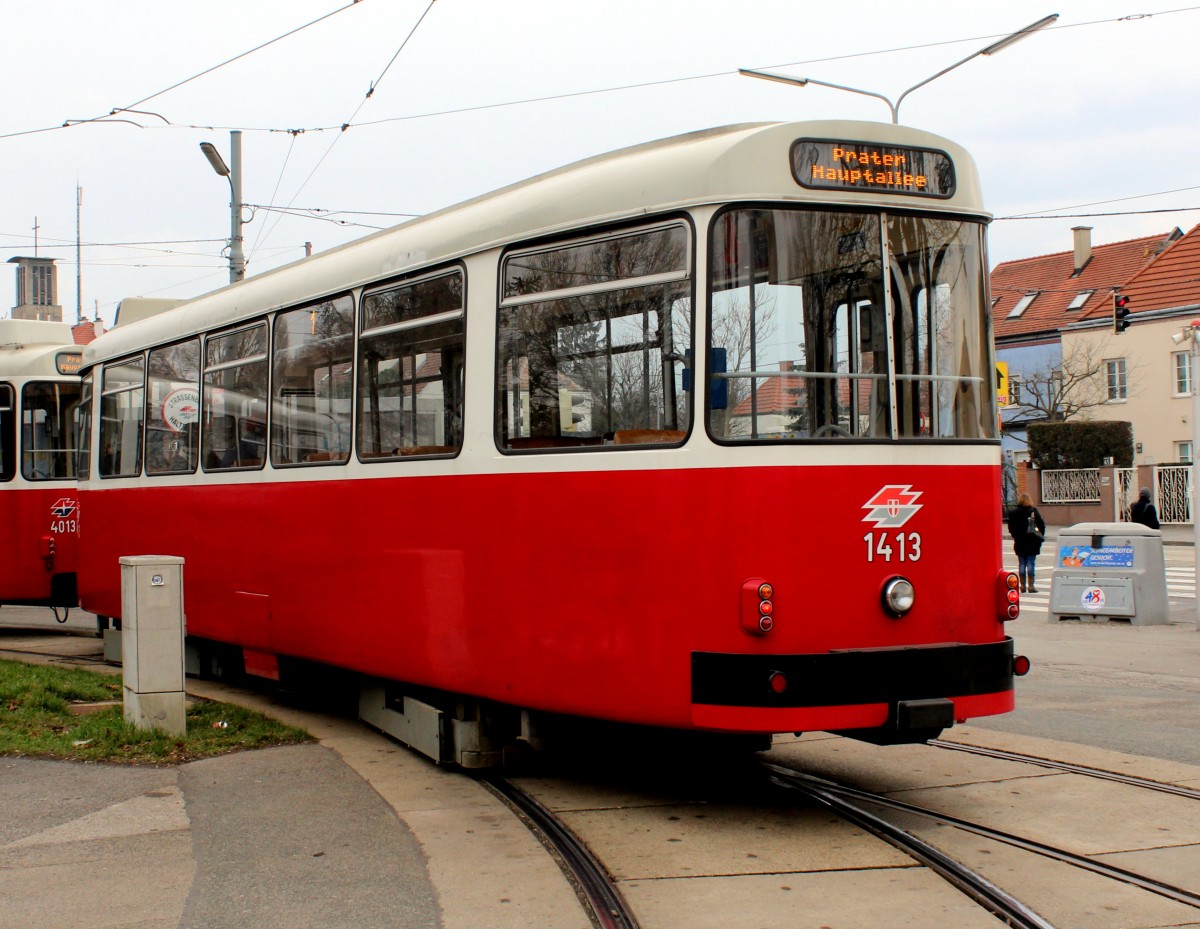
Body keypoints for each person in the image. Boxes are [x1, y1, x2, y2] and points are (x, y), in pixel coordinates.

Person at [1007, 492, 1045, 593]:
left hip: (1020, 542)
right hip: (1032, 542)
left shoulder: (1013, 513)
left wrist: (1016, 536)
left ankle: (1022, 586)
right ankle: (1031, 586)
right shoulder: (1033, 511)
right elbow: (1042, 526)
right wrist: (1039, 538)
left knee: (1022, 563)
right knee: (1031, 563)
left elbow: (1011, 528)